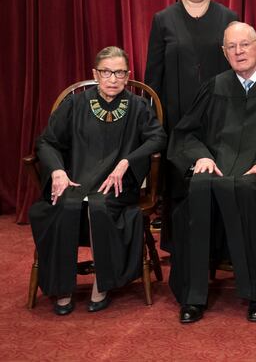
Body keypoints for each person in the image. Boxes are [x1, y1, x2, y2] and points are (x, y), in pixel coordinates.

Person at [167, 22, 256, 324]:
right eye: (231, 47)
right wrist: (201, 157)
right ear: (223, 52)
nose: (238, 51)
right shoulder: (215, 86)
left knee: (246, 190)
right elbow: (186, 133)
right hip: (219, 170)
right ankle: (193, 296)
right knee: (198, 187)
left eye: (244, 44)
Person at [29, 46, 167, 315]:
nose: (113, 78)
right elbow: (46, 142)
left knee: (101, 206)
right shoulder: (75, 103)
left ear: (128, 75)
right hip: (76, 178)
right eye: (106, 72)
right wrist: (57, 171)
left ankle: (102, 285)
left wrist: (128, 161)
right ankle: (62, 286)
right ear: (95, 73)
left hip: (116, 184)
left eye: (119, 72)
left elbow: (158, 138)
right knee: (64, 205)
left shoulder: (138, 107)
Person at [144, 0, 238, 244]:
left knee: (218, 174)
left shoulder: (228, 17)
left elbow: (239, 66)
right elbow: (153, 74)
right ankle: (180, 243)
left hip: (219, 113)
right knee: (180, 179)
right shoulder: (163, 20)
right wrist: (155, 121)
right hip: (177, 114)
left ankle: (219, 243)